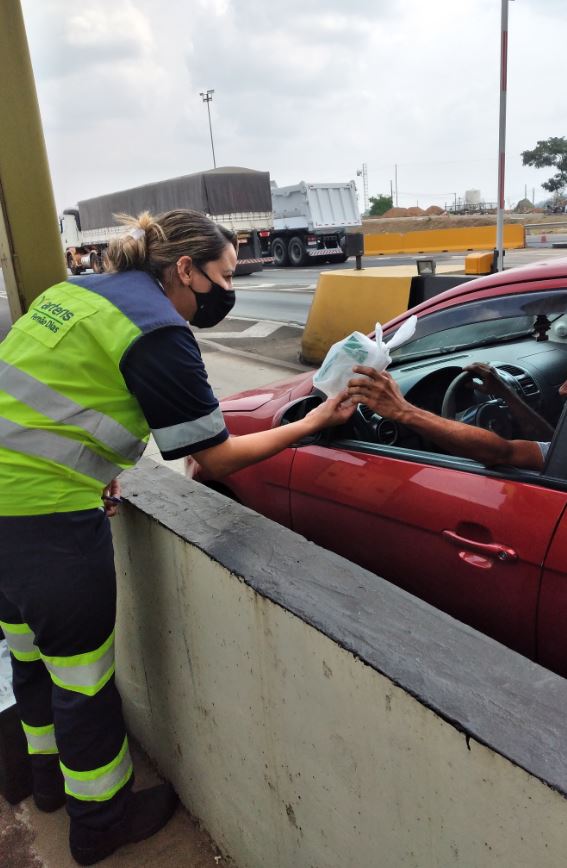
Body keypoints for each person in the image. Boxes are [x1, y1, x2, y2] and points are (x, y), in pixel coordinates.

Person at [0, 208, 355, 866]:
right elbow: (213, 456)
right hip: (46, 522)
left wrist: (95, 470)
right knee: (82, 680)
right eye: (220, 277)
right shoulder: (157, 329)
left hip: (7, 513)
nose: (225, 292)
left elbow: (52, 398)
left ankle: (42, 783)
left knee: (29, 658)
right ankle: (99, 824)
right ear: (183, 269)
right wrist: (314, 423)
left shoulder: (71, 293)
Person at [347, 361, 559, 471]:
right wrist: (506, 394)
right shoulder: (560, 455)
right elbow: (552, 445)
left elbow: (502, 452)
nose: (562, 390)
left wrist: (403, 411)